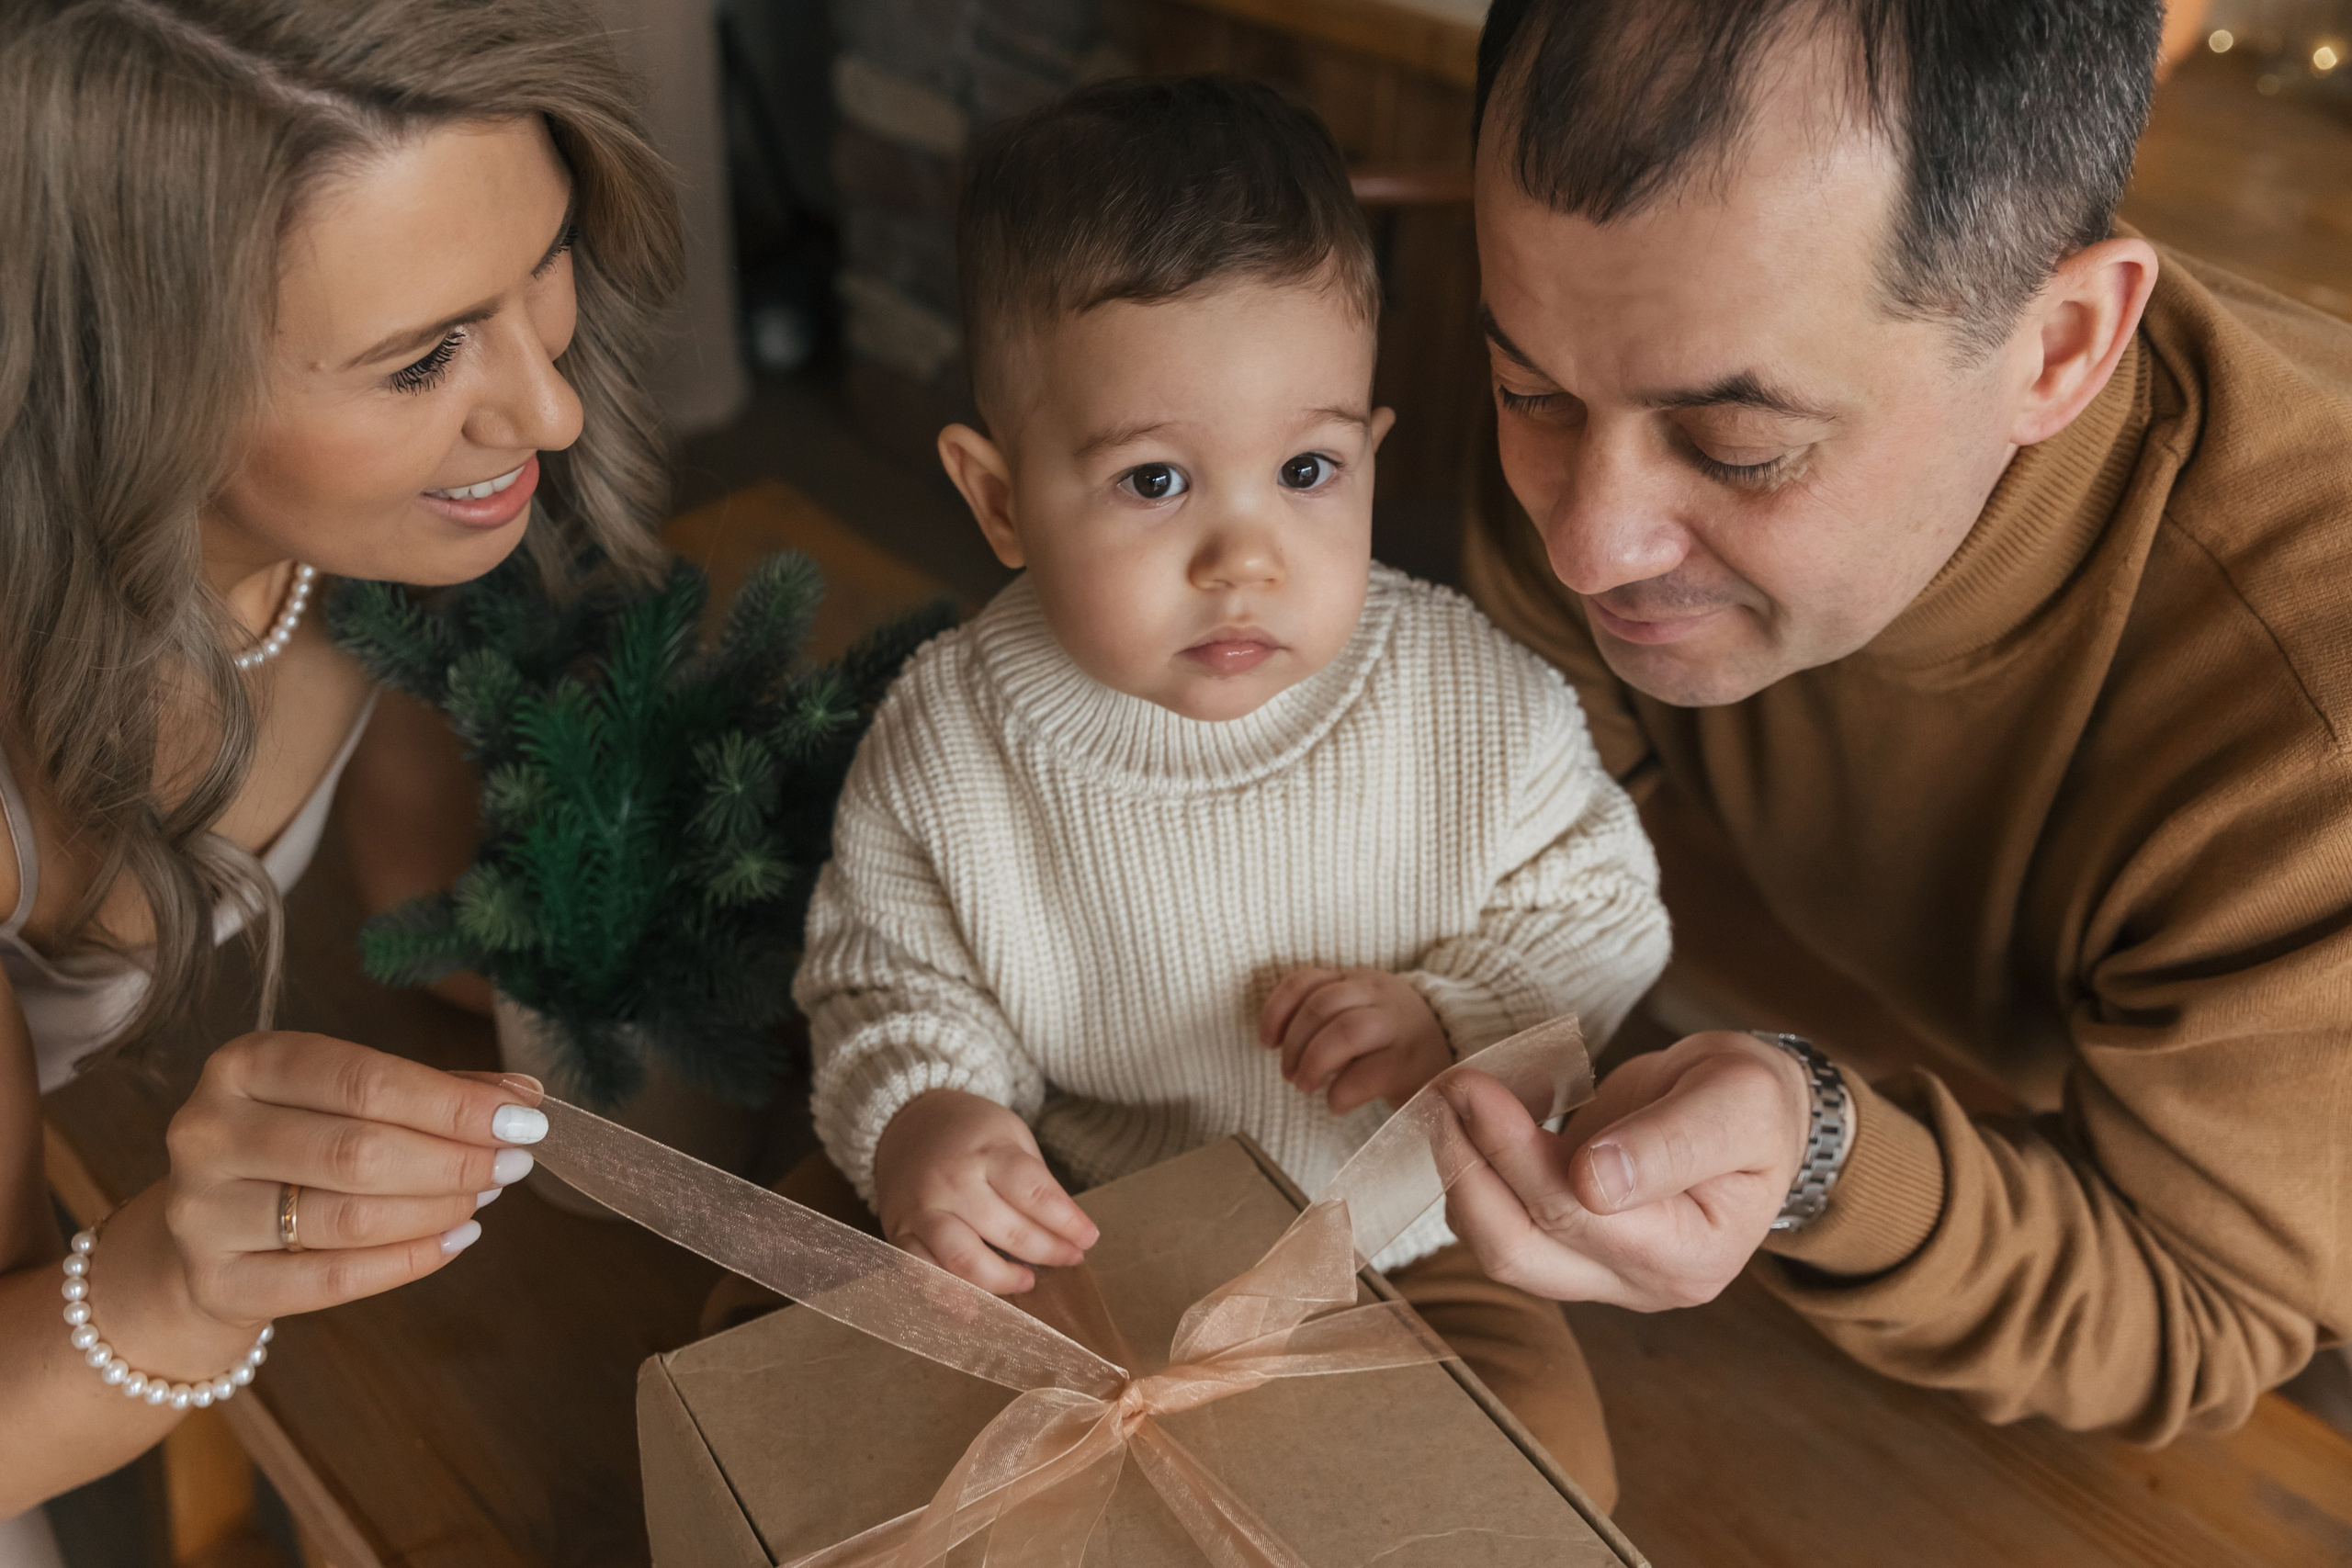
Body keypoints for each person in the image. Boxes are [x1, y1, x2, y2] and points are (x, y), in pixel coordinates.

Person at [1435, 0, 2352, 1453]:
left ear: (2059, 349)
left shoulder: (2318, 744)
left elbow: (2200, 1304)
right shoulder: (1612, 352)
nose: (1588, 548)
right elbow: (1529, 847)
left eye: (1738, 447)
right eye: (1526, 389)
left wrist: (1820, 1156)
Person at [793, 76, 1669, 1506]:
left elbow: (1601, 904)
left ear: (1370, 457)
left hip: (1394, 1246)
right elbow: (887, 974)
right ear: (1000, 497)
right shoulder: (953, 737)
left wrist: (1457, 1012)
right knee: (857, 1405)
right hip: (1085, 1233)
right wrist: (928, 1118)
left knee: (1536, 1469)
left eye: (1307, 469)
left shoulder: (1467, 701)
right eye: (1154, 483)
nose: (1242, 557)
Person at [0, 0, 684, 1550]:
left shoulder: (375, 547)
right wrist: (181, 1271)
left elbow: (425, 907)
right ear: (129, 382)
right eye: (424, 356)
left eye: (545, 264)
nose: (549, 408)